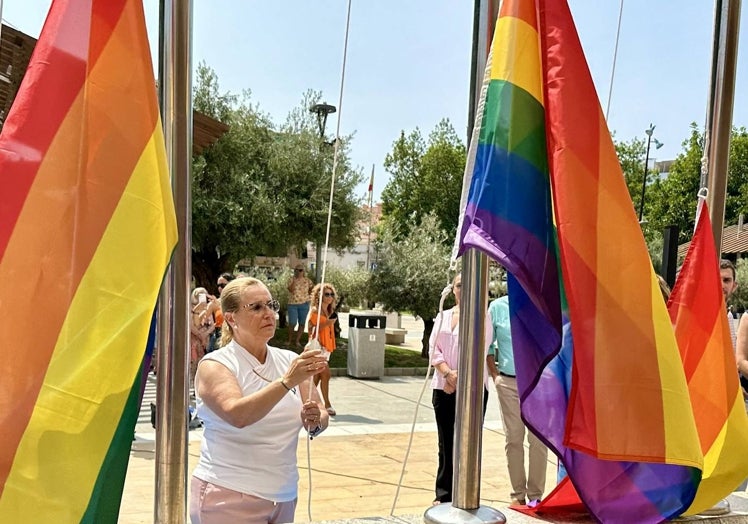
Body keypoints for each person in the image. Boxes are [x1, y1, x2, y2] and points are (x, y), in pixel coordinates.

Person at [190, 277, 330, 524]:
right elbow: (238, 415)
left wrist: (315, 420)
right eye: (256, 307)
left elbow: (320, 412)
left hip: (283, 497)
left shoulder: (289, 359)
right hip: (229, 495)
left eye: (271, 305)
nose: (269, 314)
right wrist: (286, 381)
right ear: (231, 318)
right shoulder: (216, 365)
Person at [428, 273, 492, 505]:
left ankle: (466, 492)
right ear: (453, 289)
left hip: (473, 389)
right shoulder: (442, 317)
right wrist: (447, 374)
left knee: (468, 443)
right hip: (443, 387)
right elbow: (433, 348)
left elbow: (480, 350)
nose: (463, 289)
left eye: (468, 285)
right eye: (459, 285)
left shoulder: (482, 317)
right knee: (445, 442)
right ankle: (443, 494)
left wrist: (460, 378)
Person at [486, 293, 548, 507]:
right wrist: (496, 377)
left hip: (537, 382)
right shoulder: (497, 307)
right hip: (509, 383)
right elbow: (487, 346)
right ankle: (517, 494)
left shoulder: (541, 304)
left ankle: (536, 495)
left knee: (538, 441)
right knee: (514, 438)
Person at [308, 283, 338, 416]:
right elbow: (312, 328)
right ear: (319, 296)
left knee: (318, 376)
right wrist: (328, 322)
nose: (330, 297)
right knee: (326, 374)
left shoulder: (330, 310)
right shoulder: (316, 310)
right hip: (318, 345)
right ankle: (327, 404)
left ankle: (308, 400)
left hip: (327, 346)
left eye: (331, 294)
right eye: (327, 294)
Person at [190, 287, 215, 384]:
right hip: (194, 339)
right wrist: (201, 335)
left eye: (203, 295)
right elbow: (192, 325)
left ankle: (203, 384)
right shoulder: (191, 308)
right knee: (194, 363)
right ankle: (195, 384)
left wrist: (205, 334)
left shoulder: (208, 307)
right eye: (198, 295)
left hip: (206, 338)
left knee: (204, 362)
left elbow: (213, 324)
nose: (200, 297)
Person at [287, 264, 313, 348]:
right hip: (292, 304)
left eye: (300, 270)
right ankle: (289, 340)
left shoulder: (308, 281)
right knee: (292, 323)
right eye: (296, 270)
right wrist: (294, 281)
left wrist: (308, 299)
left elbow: (311, 290)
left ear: (303, 271)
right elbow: (290, 290)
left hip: (304, 304)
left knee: (302, 323)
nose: (298, 272)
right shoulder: (291, 279)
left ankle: (297, 341)